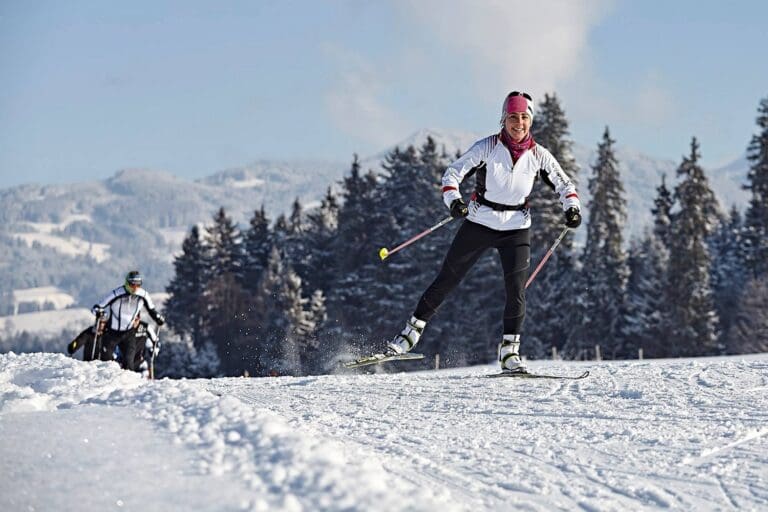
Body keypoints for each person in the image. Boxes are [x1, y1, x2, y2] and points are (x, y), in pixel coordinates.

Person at [385, 91, 582, 373]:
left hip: (516, 228)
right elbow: (452, 174)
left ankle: (509, 352)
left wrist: (572, 208)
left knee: (516, 291)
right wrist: (454, 201)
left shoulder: (540, 155)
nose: (519, 123)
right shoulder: (487, 147)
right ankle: (408, 336)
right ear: (504, 120)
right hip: (480, 222)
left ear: (531, 121)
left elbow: (565, 185)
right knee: (448, 278)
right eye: (513, 117)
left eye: (524, 117)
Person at [92, 270, 165, 371]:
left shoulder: (143, 295)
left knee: (129, 362)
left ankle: (126, 385)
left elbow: (152, 311)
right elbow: (97, 307)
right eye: (132, 284)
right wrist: (99, 313)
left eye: (138, 285)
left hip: (129, 333)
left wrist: (158, 319)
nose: (135, 288)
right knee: (106, 362)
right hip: (112, 333)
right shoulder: (116, 293)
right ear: (127, 283)